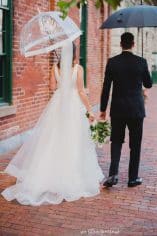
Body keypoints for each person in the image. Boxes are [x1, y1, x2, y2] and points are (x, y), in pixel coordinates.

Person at [1, 41, 104, 206]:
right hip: (73, 105)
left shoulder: (54, 68)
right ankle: (71, 175)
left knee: (53, 138)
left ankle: (46, 175)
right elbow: (81, 91)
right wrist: (89, 110)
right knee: (73, 139)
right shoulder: (78, 69)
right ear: (74, 53)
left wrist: (59, 78)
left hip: (57, 104)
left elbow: (52, 87)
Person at [100, 32, 152, 188]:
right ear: (133, 44)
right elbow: (148, 84)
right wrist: (143, 72)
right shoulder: (141, 62)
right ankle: (132, 178)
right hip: (136, 109)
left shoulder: (112, 62)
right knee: (135, 145)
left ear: (121, 44)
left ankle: (113, 174)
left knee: (116, 141)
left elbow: (106, 88)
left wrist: (103, 109)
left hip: (117, 109)